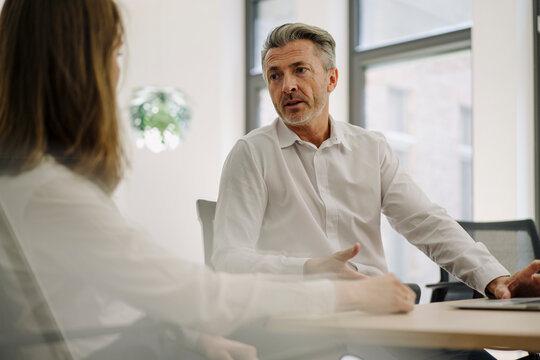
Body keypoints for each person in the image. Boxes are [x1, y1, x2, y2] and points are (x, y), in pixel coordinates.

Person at [0, 2, 417, 360]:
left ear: (331, 79)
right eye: (113, 52)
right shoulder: (50, 194)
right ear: (74, 70)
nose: (115, 71)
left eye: (300, 70)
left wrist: (189, 335)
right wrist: (349, 293)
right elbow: (202, 293)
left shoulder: (30, 184)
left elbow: (96, 299)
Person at [212, 22, 540, 353]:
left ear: (331, 79)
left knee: (466, 354)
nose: (288, 86)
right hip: (300, 322)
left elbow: (426, 222)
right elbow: (228, 258)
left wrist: (497, 281)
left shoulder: (371, 148)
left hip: (377, 313)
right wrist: (309, 268)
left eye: (300, 70)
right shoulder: (251, 153)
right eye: (275, 75)